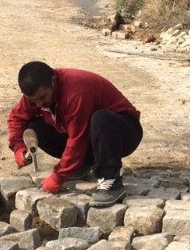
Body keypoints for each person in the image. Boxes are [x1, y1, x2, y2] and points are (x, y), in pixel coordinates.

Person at [8, 61, 143, 206]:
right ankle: (83, 164)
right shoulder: (36, 95)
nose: (39, 104)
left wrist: (58, 176)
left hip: (123, 132)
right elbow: (16, 118)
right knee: (35, 127)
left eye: (42, 97)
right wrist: (18, 146)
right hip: (89, 133)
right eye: (34, 100)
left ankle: (110, 179)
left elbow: (77, 139)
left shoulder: (76, 91)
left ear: (53, 82)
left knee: (100, 119)